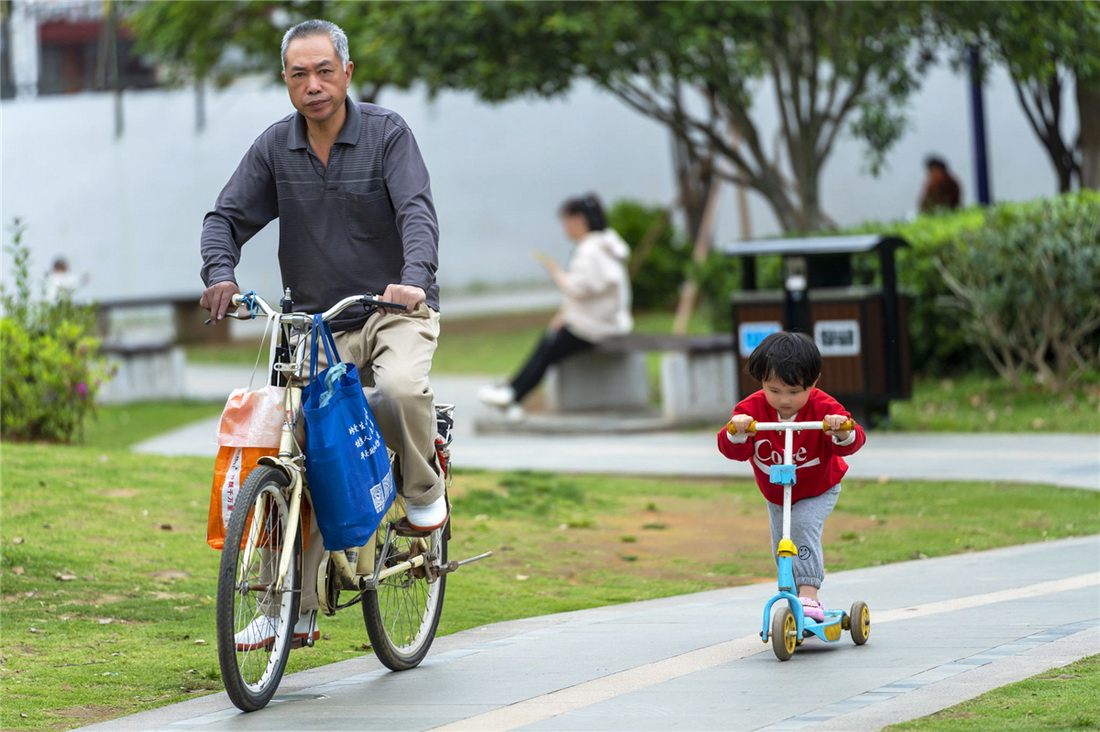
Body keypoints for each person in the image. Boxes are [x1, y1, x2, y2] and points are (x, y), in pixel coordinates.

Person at [199, 19, 446, 648]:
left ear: (347, 73)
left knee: (396, 390)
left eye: (324, 71)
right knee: (296, 449)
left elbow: (417, 211)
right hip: (312, 322)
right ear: (286, 81)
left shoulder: (388, 135)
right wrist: (219, 272)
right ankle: (294, 608)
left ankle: (422, 490)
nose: (314, 86)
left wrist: (413, 279)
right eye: (299, 74)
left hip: (393, 311)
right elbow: (224, 217)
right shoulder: (275, 148)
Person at [717, 331, 866, 622]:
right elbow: (730, 448)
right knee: (782, 542)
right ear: (761, 382)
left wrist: (842, 430)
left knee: (801, 526)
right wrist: (737, 431)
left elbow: (854, 440)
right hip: (777, 491)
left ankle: (809, 595)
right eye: (774, 390)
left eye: (795, 391)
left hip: (819, 487)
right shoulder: (751, 410)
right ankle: (792, 592)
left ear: (814, 382)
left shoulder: (824, 408)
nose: (784, 400)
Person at [478, 194, 633, 418]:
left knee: (549, 346)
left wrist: (555, 272)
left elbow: (578, 289)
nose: (565, 228)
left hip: (598, 327)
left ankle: (514, 393)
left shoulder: (589, 250)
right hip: (609, 321)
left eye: (566, 221)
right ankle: (512, 391)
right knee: (550, 341)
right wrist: (565, 315)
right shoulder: (606, 243)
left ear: (578, 220)